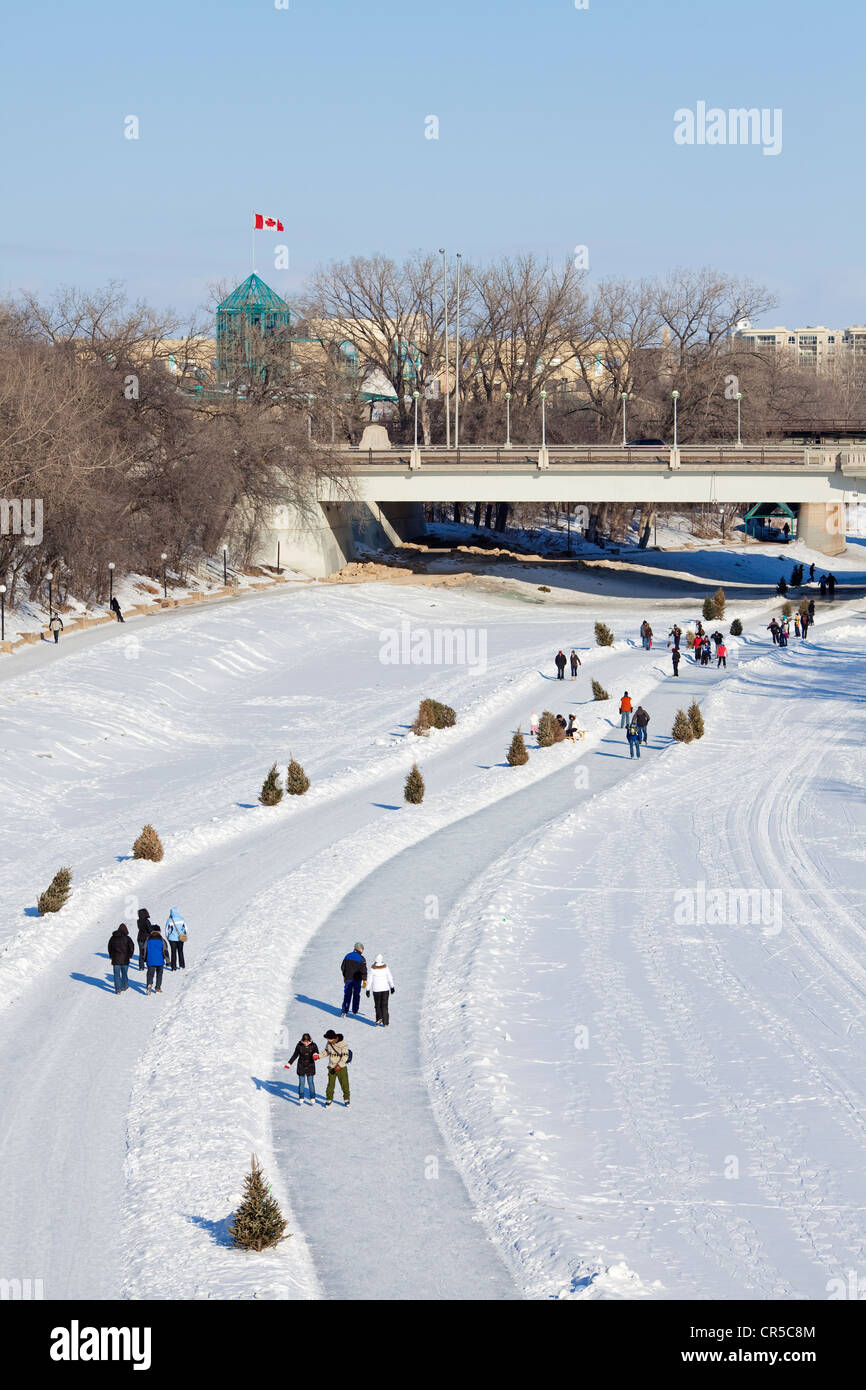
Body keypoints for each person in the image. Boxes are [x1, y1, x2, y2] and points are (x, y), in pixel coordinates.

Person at [285, 1033, 319, 1104]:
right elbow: (295, 1055)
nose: (306, 1043)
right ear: (302, 1041)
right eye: (304, 1042)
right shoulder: (299, 1045)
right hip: (301, 1066)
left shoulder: (313, 1045)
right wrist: (289, 1063)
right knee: (301, 1083)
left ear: (309, 1040)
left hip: (310, 1066)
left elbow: (316, 1052)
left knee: (311, 1082)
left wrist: (315, 1055)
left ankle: (312, 1097)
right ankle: (301, 1097)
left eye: (307, 1042)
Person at [323, 1030, 350, 1106]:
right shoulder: (329, 1043)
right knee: (330, 1085)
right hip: (331, 1067)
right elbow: (326, 1052)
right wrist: (318, 1056)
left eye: (329, 1039)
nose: (328, 1040)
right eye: (327, 1039)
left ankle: (346, 1099)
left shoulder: (342, 1044)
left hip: (341, 1068)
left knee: (344, 1084)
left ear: (334, 1038)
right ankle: (329, 1099)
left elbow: (345, 1056)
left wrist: (339, 1065)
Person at [366, 954, 395, 1026]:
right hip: (385, 989)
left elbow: (369, 980)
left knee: (377, 1005)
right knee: (385, 1005)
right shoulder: (385, 968)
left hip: (376, 990)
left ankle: (379, 1018)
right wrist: (392, 987)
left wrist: (368, 989)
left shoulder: (373, 968)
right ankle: (386, 1022)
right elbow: (389, 977)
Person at [341, 943, 368, 1017]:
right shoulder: (361, 958)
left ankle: (344, 1011)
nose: (363, 950)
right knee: (356, 995)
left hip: (348, 979)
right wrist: (364, 980)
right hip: (357, 980)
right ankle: (355, 1010)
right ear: (359, 949)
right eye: (362, 949)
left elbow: (343, 967)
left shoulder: (347, 956)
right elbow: (364, 970)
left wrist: (344, 976)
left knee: (347, 995)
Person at [107, 923, 134, 994]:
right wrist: (130, 955)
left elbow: (109, 947)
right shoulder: (127, 938)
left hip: (115, 959)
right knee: (124, 974)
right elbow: (131, 947)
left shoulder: (113, 938)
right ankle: (124, 986)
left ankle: (118, 989)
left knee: (116, 975)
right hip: (125, 959)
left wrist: (111, 955)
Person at [145, 927, 168, 995]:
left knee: (150, 974)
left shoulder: (147, 940)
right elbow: (165, 951)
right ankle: (158, 988)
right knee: (159, 974)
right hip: (160, 960)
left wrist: (144, 958)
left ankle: (149, 984)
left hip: (150, 960)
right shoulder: (162, 940)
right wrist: (167, 961)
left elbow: (144, 950)